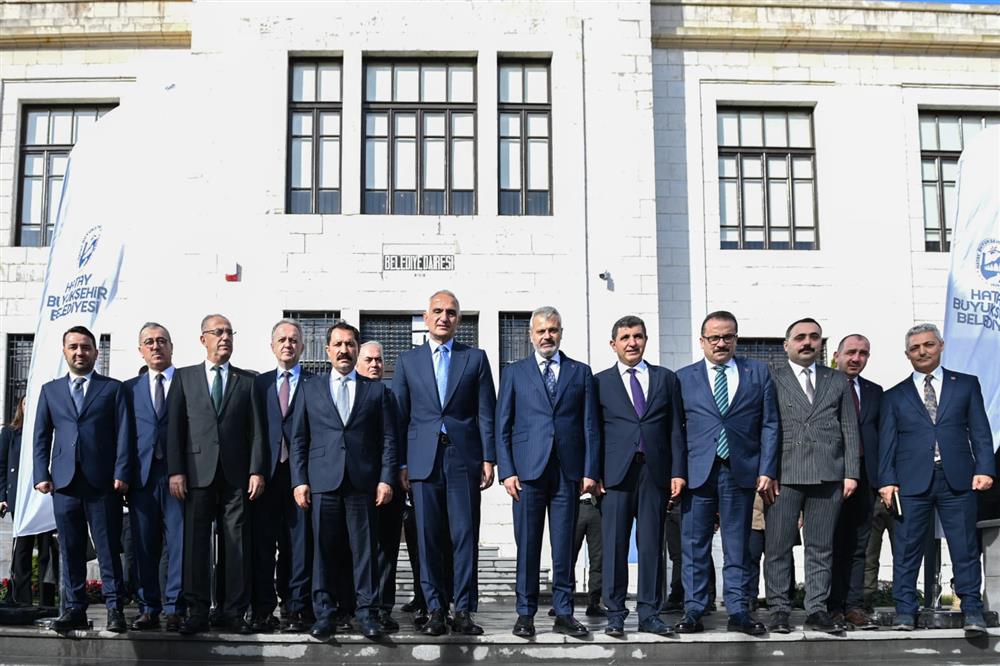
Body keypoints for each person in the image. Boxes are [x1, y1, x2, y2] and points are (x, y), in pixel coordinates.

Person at [878, 323, 994, 633]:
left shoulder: (965, 385)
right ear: (907, 354)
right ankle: (905, 611)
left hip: (958, 478)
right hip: (910, 482)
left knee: (965, 547)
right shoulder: (894, 395)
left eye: (928, 345)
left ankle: (972, 609)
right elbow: (887, 443)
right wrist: (886, 480)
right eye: (915, 348)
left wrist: (985, 468)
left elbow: (980, 430)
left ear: (941, 346)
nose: (922, 352)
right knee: (906, 549)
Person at [392, 290, 497, 636]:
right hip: (422, 461)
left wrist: (489, 457)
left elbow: (486, 411)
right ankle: (435, 609)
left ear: (458, 320)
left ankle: (463, 609)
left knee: (465, 536)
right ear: (426, 318)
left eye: (451, 312)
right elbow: (400, 418)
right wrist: (401, 463)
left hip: (462, 458)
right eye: (437, 311)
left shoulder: (475, 358)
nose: (443, 317)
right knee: (427, 537)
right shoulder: (408, 361)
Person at [497, 306, 600, 638]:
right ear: (531, 335)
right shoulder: (515, 373)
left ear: (561, 333)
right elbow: (503, 426)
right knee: (527, 546)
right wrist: (507, 471)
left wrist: (590, 471)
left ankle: (564, 612)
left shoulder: (580, 372)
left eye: (553, 330)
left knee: (564, 547)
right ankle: (525, 613)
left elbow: (590, 426)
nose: (547, 336)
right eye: (541, 331)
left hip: (567, 473)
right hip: (527, 474)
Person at [290, 321, 397, 640]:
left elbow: (388, 439)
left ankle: (366, 613)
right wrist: (299, 480)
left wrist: (386, 478)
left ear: (357, 349)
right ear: (327, 350)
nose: (344, 350)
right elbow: (299, 439)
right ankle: (324, 614)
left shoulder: (376, 390)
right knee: (323, 551)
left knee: (365, 552)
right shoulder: (310, 388)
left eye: (350, 344)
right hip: (322, 481)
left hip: (363, 482)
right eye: (338, 344)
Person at [675, 310, 778, 636]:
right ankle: (694, 609)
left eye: (728, 337)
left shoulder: (758, 372)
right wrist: (677, 472)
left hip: (741, 471)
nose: (721, 343)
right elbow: (675, 430)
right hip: (698, 473)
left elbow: (770, 424)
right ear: (702, 341)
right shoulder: (683, 378)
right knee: (694, 545)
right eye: (714, 337)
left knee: (738, 545)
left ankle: (738, 610)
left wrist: (767, 468)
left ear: (736, 338)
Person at [167, 314, 265, 635]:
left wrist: (256, 470)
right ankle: (196, 611)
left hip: (237, 477)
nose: (225, 337)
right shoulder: (184, 378)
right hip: (197, 475)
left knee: (236, 543)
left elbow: (257, 432)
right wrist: (176, 471)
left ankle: (233, 611)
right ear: (203, 339)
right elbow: (174, 429)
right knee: (196, 544)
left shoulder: (247, 381)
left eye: (229, 333)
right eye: (218, 332)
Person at [33, 325, 132, 633]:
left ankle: (115, 609)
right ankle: (74, 608)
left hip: (102, 484)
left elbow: (124, 434)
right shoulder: (50, 391)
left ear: (95, 352)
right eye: (73, 347)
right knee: (71, 548)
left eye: (85, 347)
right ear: (64, 351)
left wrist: (121, 472)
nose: (80, 352)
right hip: (64, 484)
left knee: (107, 548)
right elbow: (40, 436)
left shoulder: (113, 389)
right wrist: (41, 474)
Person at [764, 317, 860, 635]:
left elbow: (849, 428)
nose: (807, 342)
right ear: (786, 345)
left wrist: (851, 473)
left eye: (814, 337)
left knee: (821, 547)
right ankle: (779, 608)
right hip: (784, 474)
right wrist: (766, 471)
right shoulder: (772, 378)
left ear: (821, 343)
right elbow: (765, 427)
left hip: (828, 474)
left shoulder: (837, 380)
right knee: (778, 546)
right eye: (800, 337)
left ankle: (816, 608)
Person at [595, 315, 685, 637]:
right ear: (613, 344)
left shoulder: (666, 379)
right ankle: (615, 614)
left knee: (650, 547)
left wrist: (678, 472)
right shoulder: (600, 382)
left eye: (638, 336)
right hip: (615, 476)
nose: (632, 343)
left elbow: (676, 429)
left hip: (655, 473)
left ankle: (649, 613)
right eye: (625, 337)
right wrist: (593, 474)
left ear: (645, 340)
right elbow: (593, 431)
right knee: (615, 545)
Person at [250, 319, 314, 633]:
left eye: (293, 340)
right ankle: (263, 609)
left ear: (302, 346)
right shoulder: (258, 384)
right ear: (272, 346)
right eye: (282, 340)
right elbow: (252, 431)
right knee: (263, 545)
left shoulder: (315, 383)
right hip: (266, 477)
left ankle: (296, 607)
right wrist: (255, 470)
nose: (288, 344)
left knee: (298, 545)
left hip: (302, 477)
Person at [124, 322, 186, 632]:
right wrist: (122, 474)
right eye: (149, 342)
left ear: (172, 347)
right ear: (140, 350)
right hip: (142, 478)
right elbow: (123, 435)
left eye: (162, 341)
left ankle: (175, 608)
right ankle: (148, 607)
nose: (156, 346)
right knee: (144, 546)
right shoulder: (129, 388)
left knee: (179, 545)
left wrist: (183, 470)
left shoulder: (188, 382)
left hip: (178, 477)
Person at [827, 334, 882, 630]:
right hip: (831, 476)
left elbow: (882, 435)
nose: (856, 358)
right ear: (836, 355)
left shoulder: (874, 391)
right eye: (850, 352)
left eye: (863, 353)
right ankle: (832, 606)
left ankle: (854, 606)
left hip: (865, 477)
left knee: (859, 545)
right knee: (831, 543)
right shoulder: (823, 387)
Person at [357, 340, 406, 633]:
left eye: (379, 360)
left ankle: (383, 607)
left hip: (389, 484)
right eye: (369, 360)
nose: (375, 365)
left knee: (387, 549)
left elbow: (397, 438)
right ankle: (356, 605)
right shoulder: (349, 393)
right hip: (356, 484)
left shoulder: (391, 396)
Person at [3, 397, 59, 607]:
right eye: (26, 403)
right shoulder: (10, 433)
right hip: (21, 499)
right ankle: (21, 599)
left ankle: (47, 601)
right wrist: (2, 497)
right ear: (20, 407)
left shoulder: (51, 429)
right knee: (22, 549)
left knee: (47, 551)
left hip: (45, 497)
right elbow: (1, 465)